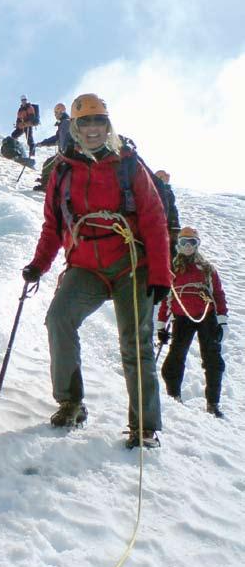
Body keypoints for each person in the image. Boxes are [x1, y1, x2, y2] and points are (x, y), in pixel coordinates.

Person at [22, 93, 172, 448]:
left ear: (108, 125)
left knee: (135, 342)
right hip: (86, 265)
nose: (92, 129)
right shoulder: (61, 171)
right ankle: (71, 402)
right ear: (74, 127)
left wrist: (161, 276)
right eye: (85, 122)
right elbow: (53, 226)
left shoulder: (128, 164)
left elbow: (154, 219)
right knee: (59, 319)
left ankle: (144, 426)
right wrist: (38, 265)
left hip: (131, 264)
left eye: (98, 122)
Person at [157, 227, 228, 417]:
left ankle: (213, 404)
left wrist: (222, 321)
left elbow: (219, 295)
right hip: (182, 318)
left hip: (207, 316)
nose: (188, 247)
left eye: (192, 243)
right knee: (174, 359)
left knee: (212, 360)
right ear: (178, 245)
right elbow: (167, 298)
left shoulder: (207, 270)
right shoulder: (172, 270)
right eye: (184, 243)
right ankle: (174, 397)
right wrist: (161, 326)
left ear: (197, 245)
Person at [33, 103, 72, 192]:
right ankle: (47, 182)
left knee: (49, 164)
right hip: (65, 152)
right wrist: (43, 143)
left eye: (55, 113)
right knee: (49, 163)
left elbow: (63, 138)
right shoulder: (65, 122)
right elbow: (57, 138)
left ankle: (46, 184)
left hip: (66, 153)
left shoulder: (65, 123)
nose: (55, 115)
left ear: (60, 112)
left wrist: (65, 151)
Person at [154, 170, 180, 259]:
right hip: (160, 229)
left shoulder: (167, 192)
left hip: (169, 229)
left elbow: (171, 209)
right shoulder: (156, 192)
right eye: (160, 177)